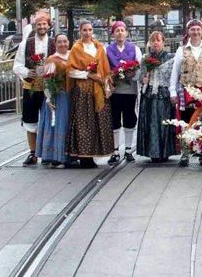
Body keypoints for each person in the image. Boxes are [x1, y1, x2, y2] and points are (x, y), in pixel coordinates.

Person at [170, 19, 202, 167]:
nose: (196, 32)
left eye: (198, 29)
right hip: (187, 91)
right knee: (186, 122)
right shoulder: (181, 50)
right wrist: (172, 91)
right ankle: (185, 153)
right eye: (193, 29)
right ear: (188, 32)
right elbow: (175, 72)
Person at [67, 21, 115, 168]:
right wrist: (88, 74)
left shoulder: (99, 47)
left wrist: (107, 86)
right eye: (84, 30)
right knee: (84, 124)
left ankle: (94, 153)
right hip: (83, 90)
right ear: (80, 32)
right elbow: (70, 70)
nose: (87, 33)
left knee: (98, 123)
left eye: (90, 30)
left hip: (98, 90)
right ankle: (84, 157)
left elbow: (105, 70)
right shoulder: (76, 48)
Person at [12, 11, 56, 166]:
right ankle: (32, 153)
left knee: (50, 121)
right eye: (39, 24)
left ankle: (49, 152)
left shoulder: (54, 43)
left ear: (48, 26)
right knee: (30, 120)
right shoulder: (26, 44)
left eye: (44, 24)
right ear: (35, 26)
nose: (42, 26)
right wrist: (27, 72)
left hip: (50, 88)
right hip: (31, 86)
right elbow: (16, 65)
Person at [106, 21, 142, 165]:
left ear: (126, 33)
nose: (120, 33)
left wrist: (132, 75)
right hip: (114, 90)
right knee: (114, 119)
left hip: (129, 90)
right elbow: (104, 68)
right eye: (117, 30)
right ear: (113, 34)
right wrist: (109, 82)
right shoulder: (107, 49)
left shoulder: (134, 49)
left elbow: (139, 67)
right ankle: (115, 151)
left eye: (122, 30)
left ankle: (128, 150)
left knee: (129, 118)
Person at [138, 32, 176, 163]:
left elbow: (174, 76)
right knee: (151, 123)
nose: (156, 43)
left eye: (158, 40)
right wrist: (145, 78)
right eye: (153, 40)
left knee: (164, 123)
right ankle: (153, 152)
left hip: (164, 94)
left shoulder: (171, 57)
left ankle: (166, 151)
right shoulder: (146, 58)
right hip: (149, 94)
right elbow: (140, 78)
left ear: (163, 42)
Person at [36, 34, 71, 167]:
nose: (62, 44)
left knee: (67, 124)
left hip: (70, 95)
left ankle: (68, 154)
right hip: (58, 96)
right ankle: (54, 155)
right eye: (59, 42)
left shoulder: (72, 56)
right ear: (55, 44)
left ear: (68, 42)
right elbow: (47, 79)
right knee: (56, 124)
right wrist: (49, 97)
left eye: (65, 41)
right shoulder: (52, 59)